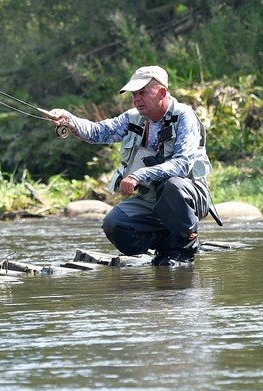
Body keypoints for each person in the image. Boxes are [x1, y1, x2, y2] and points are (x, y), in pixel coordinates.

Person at [49, 65, 212, 265]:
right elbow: (98, 132)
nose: (136, 99)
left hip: (189, 195)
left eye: (142, 93)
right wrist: (69, 120)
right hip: (151, 198)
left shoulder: (184, 116)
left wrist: (138, 176)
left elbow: (182, 164)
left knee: (172, 186)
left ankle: (185, 248)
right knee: (114, 224)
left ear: (162, 93)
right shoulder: (132, 117)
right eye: (134, 94)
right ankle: (166, 244)